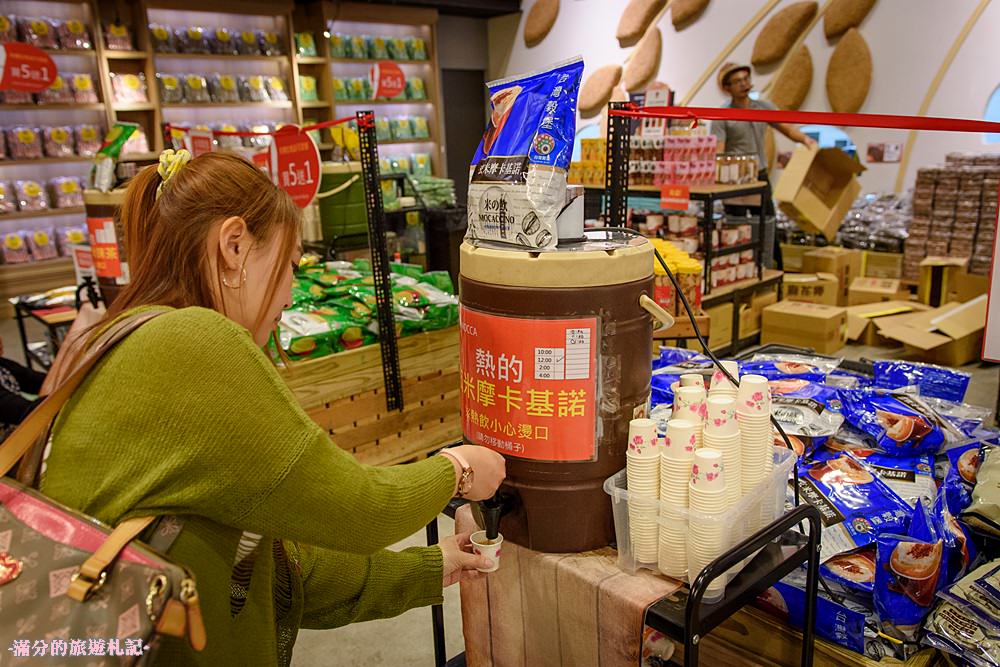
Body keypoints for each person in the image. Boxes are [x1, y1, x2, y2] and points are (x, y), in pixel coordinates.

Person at [34, 150, 506, 666]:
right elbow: (359, 510)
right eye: (289, 265)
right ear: (234, 246)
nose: (289, 292)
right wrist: (456, 469)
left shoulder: (125, 335)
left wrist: (429, 567)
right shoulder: (192, 343)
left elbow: (278, 568)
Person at [710, 63, 816, 268]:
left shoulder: (763, 108)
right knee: (737, 224)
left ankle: (772, 265)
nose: (743, 84)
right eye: (737, 82)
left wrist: (806, 140)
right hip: (735, 181)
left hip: (759, 175)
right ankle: (739, 267)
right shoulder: (722, 115)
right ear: (727, 88)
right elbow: (719, 152)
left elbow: (787, 129)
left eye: (745, 79)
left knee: (767, 222)